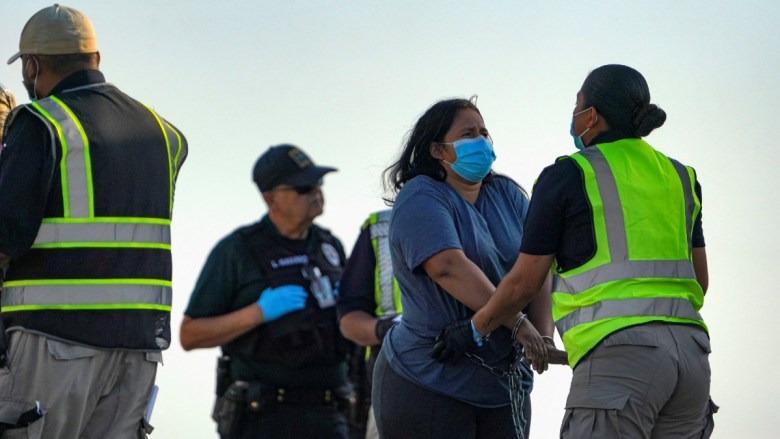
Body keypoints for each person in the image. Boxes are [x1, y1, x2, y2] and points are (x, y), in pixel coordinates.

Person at [433, 65, 717, 438]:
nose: (573, 116)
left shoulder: (568, 175)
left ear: (592, 116)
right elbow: (700, 280)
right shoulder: (682, 177)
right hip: (692, 360)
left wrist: (474, 329)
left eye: (577, 106)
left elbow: (524, 283)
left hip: (621, 360)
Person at [0, 4, 187, 438]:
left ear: (32, 65)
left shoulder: (41, 122)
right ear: (96, 59)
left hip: (54, 344)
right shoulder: (164, 134)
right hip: (139, 349)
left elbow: (6, 235)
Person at [372, 97, 561, 439]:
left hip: (503, 386)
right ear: (437, 150)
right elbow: (447, 266)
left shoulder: (508, 194)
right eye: (469, 133)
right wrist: (518, 324)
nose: (481, 141)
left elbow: (539, 269)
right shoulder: (421, 195)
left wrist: (543, 334)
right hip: (429, 379)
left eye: (484, 133)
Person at [180, 145, 354, 439]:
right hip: (264, 417)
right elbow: (190, 334)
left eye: (319, 183)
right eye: (304, 187)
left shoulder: (329, 246)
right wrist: (256, 313)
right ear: (270, 197)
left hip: (329, 411)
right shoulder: (237, 250)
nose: (316, 192)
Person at [338, 209, 403, 439]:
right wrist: (385, 330)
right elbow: (348, 319)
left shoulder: (498, 209)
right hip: (393, 386)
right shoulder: (380, 228)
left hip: (475, 380)